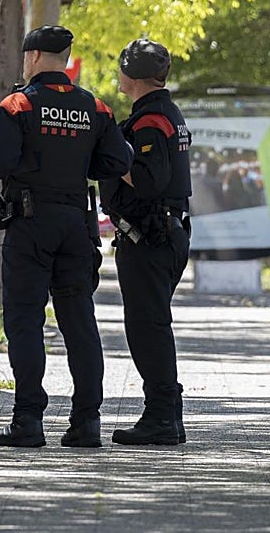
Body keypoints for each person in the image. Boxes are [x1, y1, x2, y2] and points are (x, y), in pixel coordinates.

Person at [0, 25, 133, 449]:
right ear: (64, 61)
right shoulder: (95, 108)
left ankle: (28, 420)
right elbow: (118, 160)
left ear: (31, 58)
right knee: (79, 321)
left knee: (25, 320)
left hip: (29, 223)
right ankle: (87, 422)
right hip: (76, 223)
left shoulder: (18, 104)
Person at [100, 38, 192, 446]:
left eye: (121, 67)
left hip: (151, 237)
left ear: (132, 75)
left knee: (147, 327)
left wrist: (113, 156)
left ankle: (160, 416)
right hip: (165, 233)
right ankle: (168, 417)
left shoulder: (151, 120)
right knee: (151, 325)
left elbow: (149, 179)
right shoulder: (162, 114)